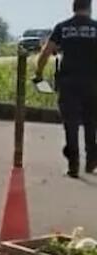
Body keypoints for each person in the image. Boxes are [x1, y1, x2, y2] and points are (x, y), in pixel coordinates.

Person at [35, 0, 97, 178]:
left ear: (74, 8)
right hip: (92, 82)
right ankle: (91, 160)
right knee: (91, 122)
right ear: (89, 8)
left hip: (68, 82)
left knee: (70, 125)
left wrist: (38, 73)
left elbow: (46, 52)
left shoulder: (63, 27)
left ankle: (73, 166)